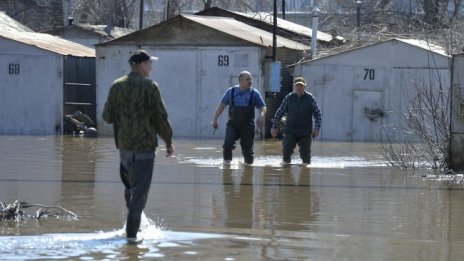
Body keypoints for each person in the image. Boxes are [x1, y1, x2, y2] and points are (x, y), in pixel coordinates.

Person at [102, 49, 174, 243]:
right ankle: (132, 241)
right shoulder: (150, 87)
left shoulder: (117, 86)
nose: (151, 67)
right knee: (139, 195)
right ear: (141, 65)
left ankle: (132, 228)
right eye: (150, 64)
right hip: (144, 148)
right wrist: (168, 141)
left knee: (131, 189)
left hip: (124, 147)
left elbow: (106, 117)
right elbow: (160, 117)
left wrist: (123, 116)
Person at [211, 71, 266, 165]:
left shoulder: (254, 93)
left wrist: (262, 115)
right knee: (227, 146)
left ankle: (248, 172)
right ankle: (227, 168)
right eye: (247, 79)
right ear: (240, 81)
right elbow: (221, 106)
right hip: (233, 125)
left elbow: (262, 107)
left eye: (251, 79)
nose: (250, 81)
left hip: (248, 126)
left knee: (248, 151)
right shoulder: (231, 92)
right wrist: (215, 119)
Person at [270, 76, 322, 166]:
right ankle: (286, 175)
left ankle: (305, 177)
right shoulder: (289, 98)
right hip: (290, 130)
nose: (299, 87)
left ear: (304, 87)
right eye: (297, 85)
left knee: (306, 160)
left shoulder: (310, 99)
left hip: (305, 132)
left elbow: (318, 115)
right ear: (294, 86)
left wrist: (317, 128)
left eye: (301, 86)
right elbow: (279, 113)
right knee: (286, 153)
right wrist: (274, 127)